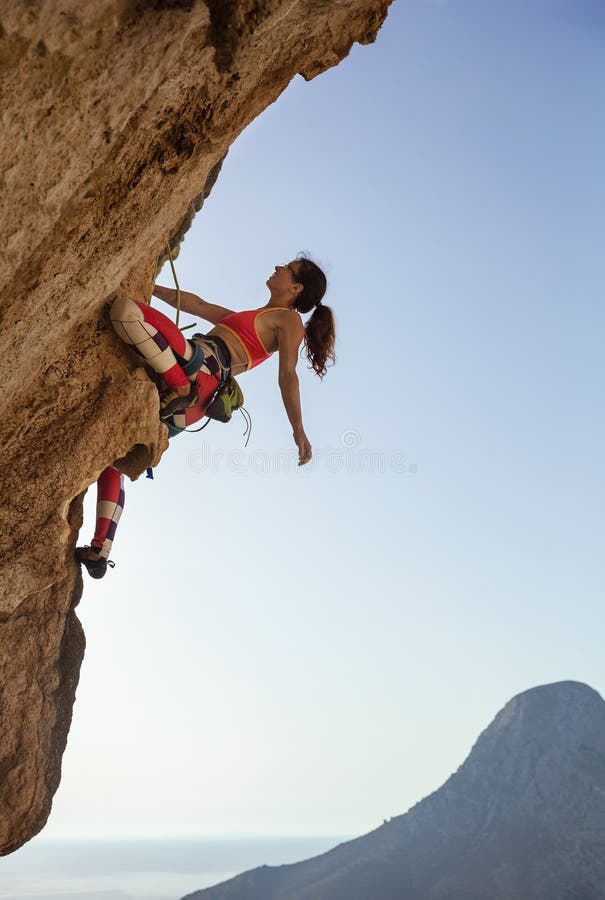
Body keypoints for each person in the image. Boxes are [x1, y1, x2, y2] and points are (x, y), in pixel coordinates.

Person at [75, 255, 335, 578]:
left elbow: (287, 375)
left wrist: (298, 430)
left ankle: (178, 384)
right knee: (114, 456)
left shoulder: (289, 321)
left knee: (125, 312)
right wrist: (148, 281)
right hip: (197, 397)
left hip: (201, 370)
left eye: (288, 268)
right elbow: (197, 305)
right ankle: (101, 550)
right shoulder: (253, 318)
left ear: (296, 287)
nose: (278, 267)